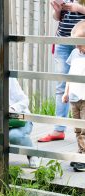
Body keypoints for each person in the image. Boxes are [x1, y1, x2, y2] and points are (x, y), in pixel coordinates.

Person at [38, 0, 85, 142]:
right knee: (61, 86)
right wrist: (58, 10)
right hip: (63, 41)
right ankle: (59, 130)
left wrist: (78, 8)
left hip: (83, 42)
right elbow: (58, 18)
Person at [61, 20, 85, 171]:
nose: (77, 46)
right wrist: (66, 92)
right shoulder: (75, 53)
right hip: (74, 98)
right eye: (75, 43)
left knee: (84, 128)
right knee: (77, 128)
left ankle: (84, 157)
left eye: (80, 43)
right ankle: (81, 151)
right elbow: (70, 74)